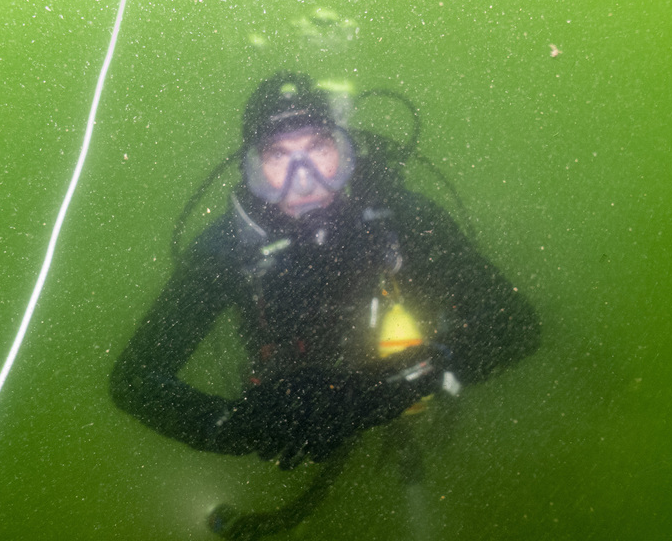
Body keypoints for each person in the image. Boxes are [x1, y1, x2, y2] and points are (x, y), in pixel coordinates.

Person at [110, 71, 539, 475]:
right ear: (252, 169)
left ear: (345, 152)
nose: (304, 181)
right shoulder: (228, 250)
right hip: (292, 404)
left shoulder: (401, 219)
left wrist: (378, 391)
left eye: (318, 149)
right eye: (278, 156)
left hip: (400, 383)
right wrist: (243, 425)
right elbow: (135, 379)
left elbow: (516, 326)